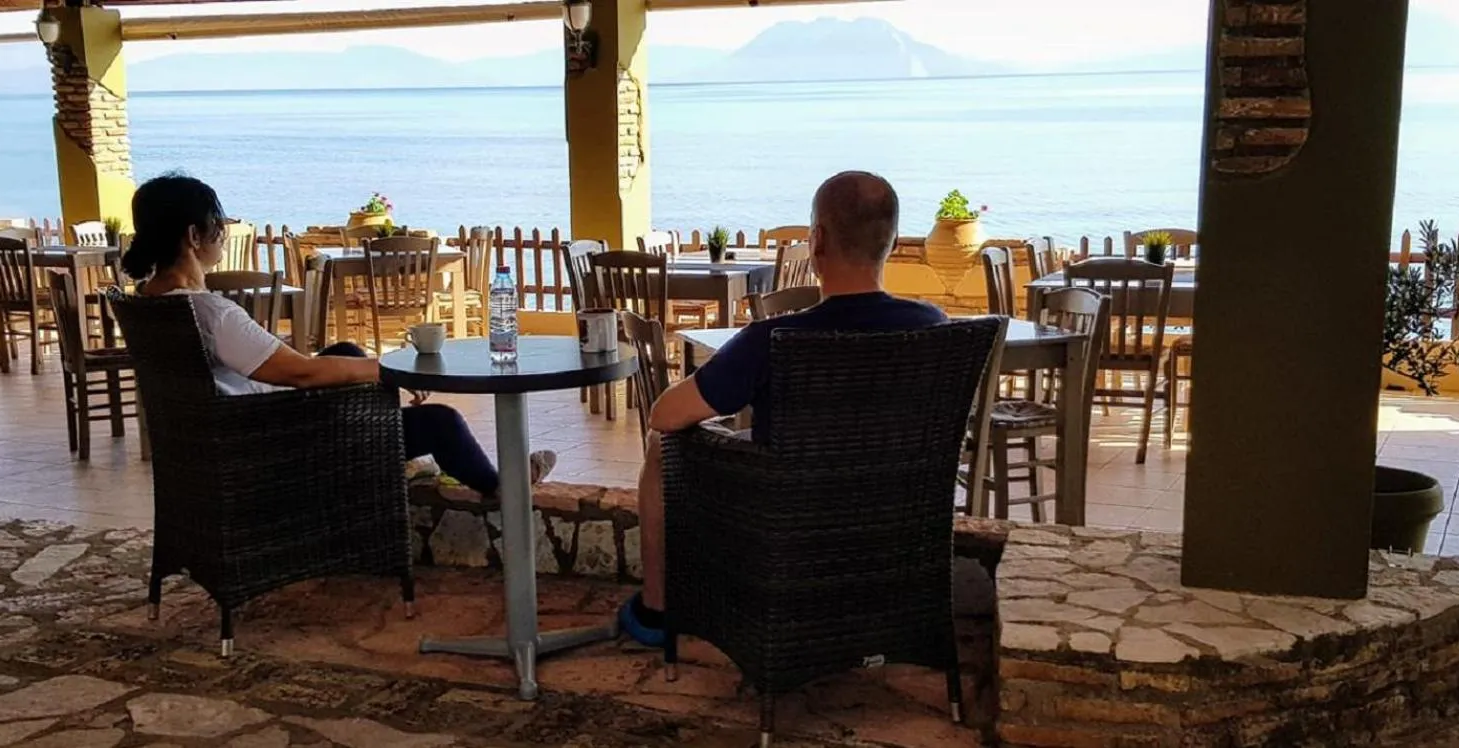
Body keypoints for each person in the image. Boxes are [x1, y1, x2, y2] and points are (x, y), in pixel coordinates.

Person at [618, 171, 949, 646]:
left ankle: (656, 609)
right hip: (892, 521)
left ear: (816, 242)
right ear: (892, 244)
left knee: (661, 445)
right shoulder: (932, 328)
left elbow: (665, 416)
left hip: (788, 520)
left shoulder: (774, 339)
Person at [124, 173, 554, 493]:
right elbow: (301, 374)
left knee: (346, 349)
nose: (225, 229)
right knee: (441, 421)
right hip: (270, 442)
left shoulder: (146, 300)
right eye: (219, 221)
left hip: (223, 437)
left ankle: (393, 459)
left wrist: (371, 367)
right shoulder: (208, 311)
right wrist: (391, 371)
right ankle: (504, 486)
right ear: (195, 235)